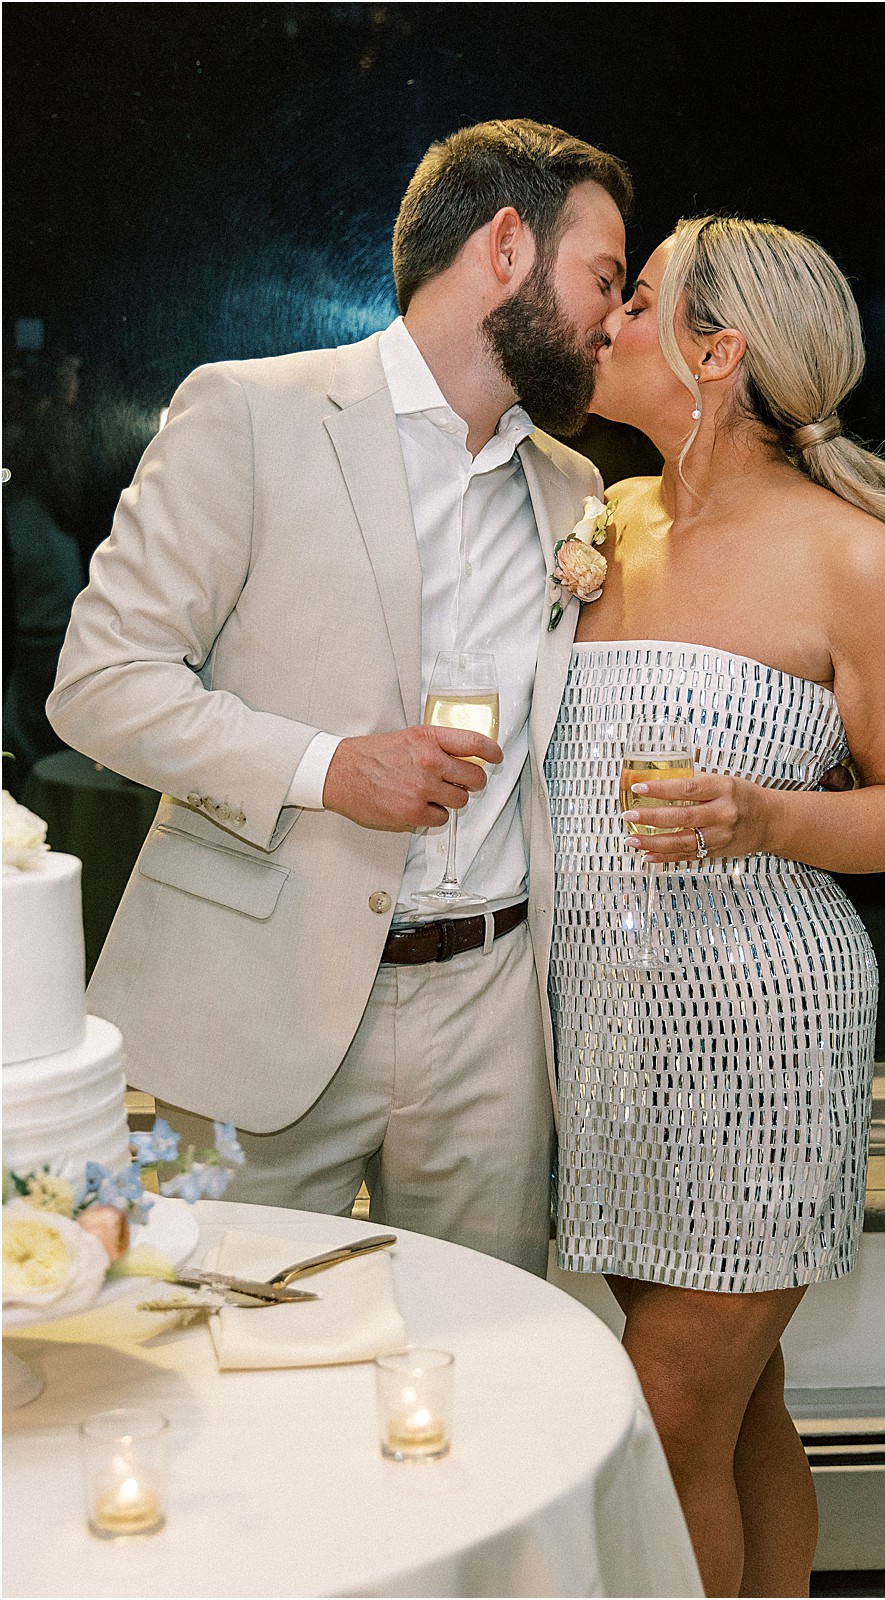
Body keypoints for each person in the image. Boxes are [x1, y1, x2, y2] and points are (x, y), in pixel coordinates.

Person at [47, 119, 631, 1277]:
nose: (612, 320)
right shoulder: (249, 413)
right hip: (256, 1003)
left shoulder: (574, 486)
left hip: (492, 1020)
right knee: (209, 1351)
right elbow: (98, 683)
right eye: (601, 277)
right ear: (505, 247)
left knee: (485, 1368)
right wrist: (328, 767)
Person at [544, 216, 885, 1596]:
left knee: (660, 1419)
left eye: (639, 300)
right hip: (606, 1036)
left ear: (712, 354)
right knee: (735, 1407)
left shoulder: (853, 562)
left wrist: (765, 815)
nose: (605, 319)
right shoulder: (606, 522)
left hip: (760, 1038)